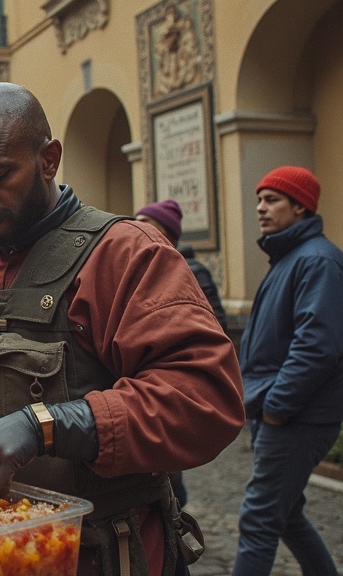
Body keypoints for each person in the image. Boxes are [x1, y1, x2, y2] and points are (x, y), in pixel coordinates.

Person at [0, 83, 244, 575]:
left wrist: (50, 423)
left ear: (49, 159)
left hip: (101, 553)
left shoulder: (127, 255)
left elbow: (204, 397)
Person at [232, 166, 343, 576]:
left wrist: (278, 405)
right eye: (259, 199)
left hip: (297, 417)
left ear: (301, 207)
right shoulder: (289, 258)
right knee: (288, 517)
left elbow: (318, 346)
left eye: (272, 199)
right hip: (276, 410)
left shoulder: (318, 261)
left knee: (259, 519)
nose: (260, 208)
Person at [135, 198, 230, 507]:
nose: (138, 229)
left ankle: (174, 517)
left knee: (170, 475)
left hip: (174, 380)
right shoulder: (141, 268)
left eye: (147, 224)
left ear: (168, 234)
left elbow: (215, 327)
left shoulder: (192, 272)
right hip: (148, 378)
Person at [135, 198, 228, 332]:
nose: (136, 227)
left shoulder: (194, 272)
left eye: (144, 222)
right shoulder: (146, 269)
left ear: (164, 231)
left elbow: (216, 323)